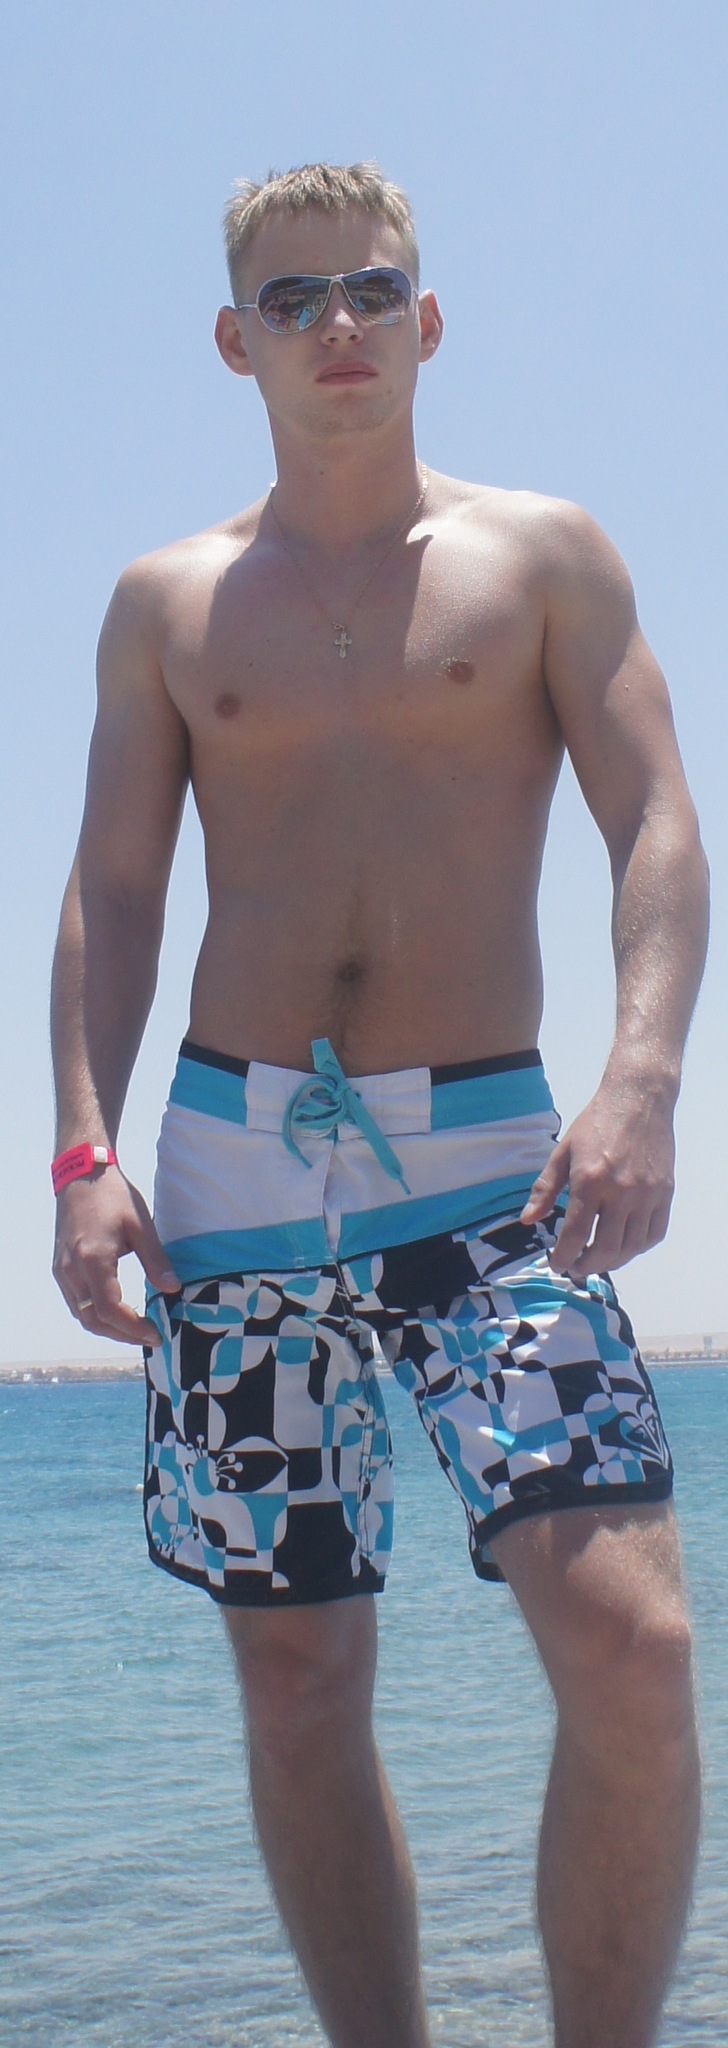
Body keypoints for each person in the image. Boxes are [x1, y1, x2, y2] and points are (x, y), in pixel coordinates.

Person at [51, 161, 709, 2048]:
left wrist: (643, 1075)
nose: (334, 324)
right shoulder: (168, 602)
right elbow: (113, 894)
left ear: (427, 319)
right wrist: (86, 1149)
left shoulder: (544, 559)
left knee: (634, 1646)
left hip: (501, 1174)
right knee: (299, 1684)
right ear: (233, 342)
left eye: (368, 289)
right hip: (234, 1180)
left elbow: (658, 823)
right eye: (292, 299)